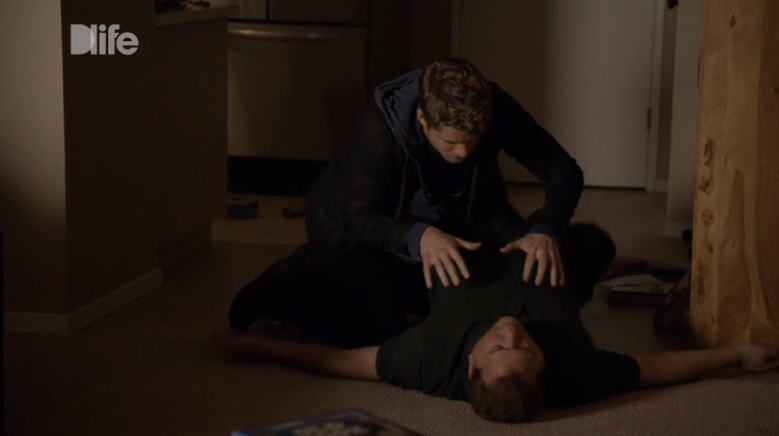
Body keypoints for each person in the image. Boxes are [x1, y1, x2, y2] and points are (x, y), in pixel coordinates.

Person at [215, 229, 779, 423]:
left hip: (450, 251)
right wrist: (738, 355)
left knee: (354, 279)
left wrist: (259, 348)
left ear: (471, 364)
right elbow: (655, 366)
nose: (511, 335)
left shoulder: (429, 361)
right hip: (524, 249)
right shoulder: (575, 373)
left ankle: (290, 276)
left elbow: (341, 362)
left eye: (499, 349)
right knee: (595, 242)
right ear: (543, 366)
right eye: (524, 351)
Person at [228, 57, 603, 346]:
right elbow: (357, 217)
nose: (465, 151)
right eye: (452, 142)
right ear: (423, 118)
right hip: (352, 227)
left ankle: (405, 285)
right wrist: (420, 237)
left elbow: (563, 170)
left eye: (474, 139)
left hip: (444, 217)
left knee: (488, 298)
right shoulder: (378, 131)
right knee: (383, 332)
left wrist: (545, 228)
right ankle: (295, 278)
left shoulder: (494, 108)